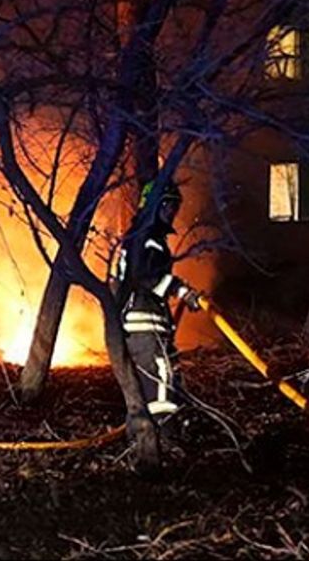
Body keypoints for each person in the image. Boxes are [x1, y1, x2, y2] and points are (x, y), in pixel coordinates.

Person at [115, 179, 202, 433]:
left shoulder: (141, 236)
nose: (172, 213)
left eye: (175, 207)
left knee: (165, 373)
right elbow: (145, 275)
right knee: (159, 375)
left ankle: (159, 431)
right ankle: (162, 435)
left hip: (146, 321)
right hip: (143, 321)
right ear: (156, 206)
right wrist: (181, 290)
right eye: (168, 206)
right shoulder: (147, 237)